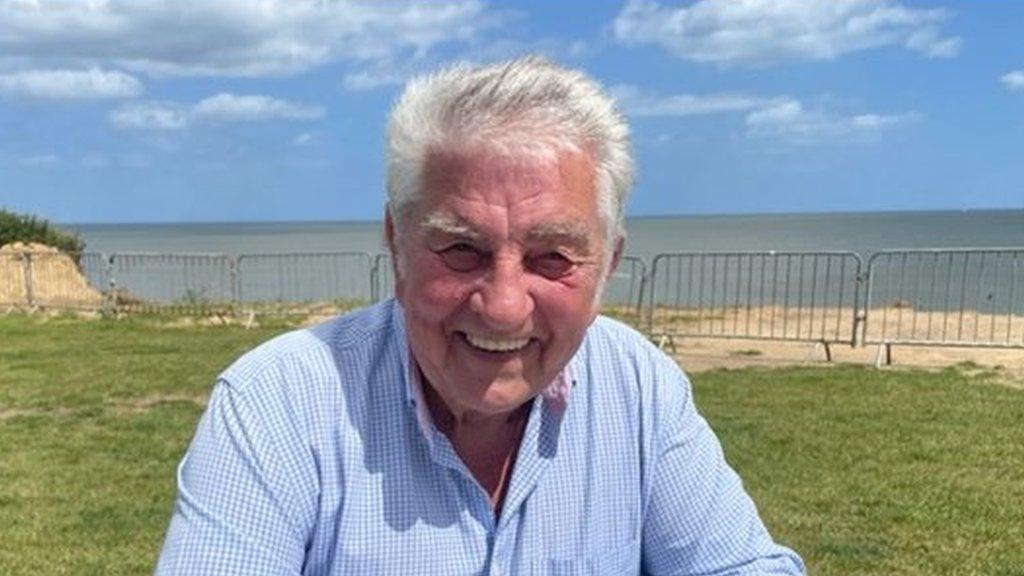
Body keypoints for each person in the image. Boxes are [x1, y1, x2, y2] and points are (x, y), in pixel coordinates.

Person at [155, 56, 805, 575]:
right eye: (462, 249)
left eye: (552, 256)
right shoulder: (279, 402)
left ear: (608, 263)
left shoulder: (641, 389)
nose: (502, 305)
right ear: (395, 243)